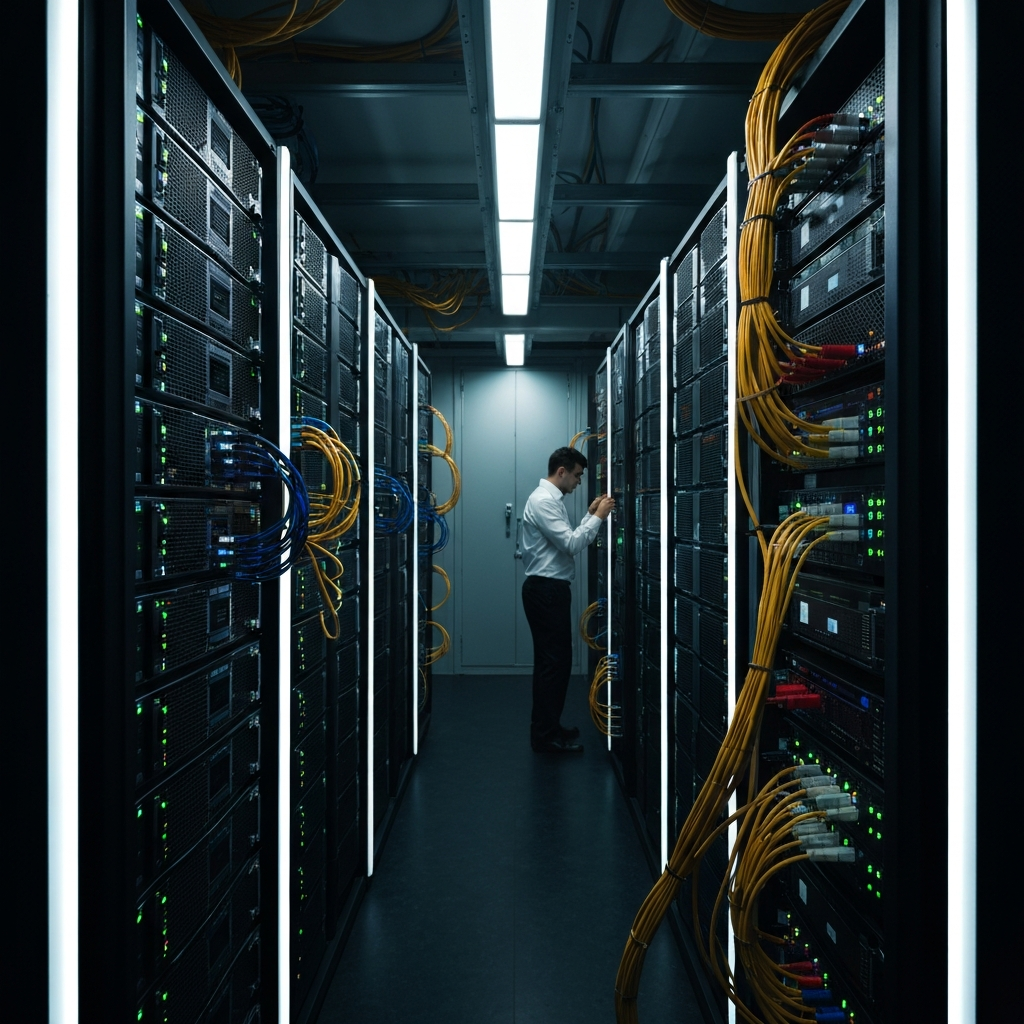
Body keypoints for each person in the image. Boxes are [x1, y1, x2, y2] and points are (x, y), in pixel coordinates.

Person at [521, 446, 615, 753]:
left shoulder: (550, 500)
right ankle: (545, 737)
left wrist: (589, 515)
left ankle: (548, 727)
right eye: (576, 476)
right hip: (546, 591)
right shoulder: (543, 501)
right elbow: (572, 544)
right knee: (554, 665)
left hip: (549, 591)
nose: (578, 482)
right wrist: (598, 518)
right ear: (561, 471)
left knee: (552, 664)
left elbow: (564, 538)